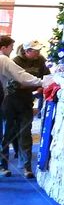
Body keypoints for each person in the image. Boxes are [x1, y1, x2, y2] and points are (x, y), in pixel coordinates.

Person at [0, 37, 48, 178]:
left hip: (25, 101)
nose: (12, 49)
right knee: (6, 134)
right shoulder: (7, 60)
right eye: (11, 47)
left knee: (25, 133)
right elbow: (19, 78)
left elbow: (43, 75)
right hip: (9, 101)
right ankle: (3, 166)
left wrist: (41, 83)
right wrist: (39, 83)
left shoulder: (41, 61)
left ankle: (26, 167)